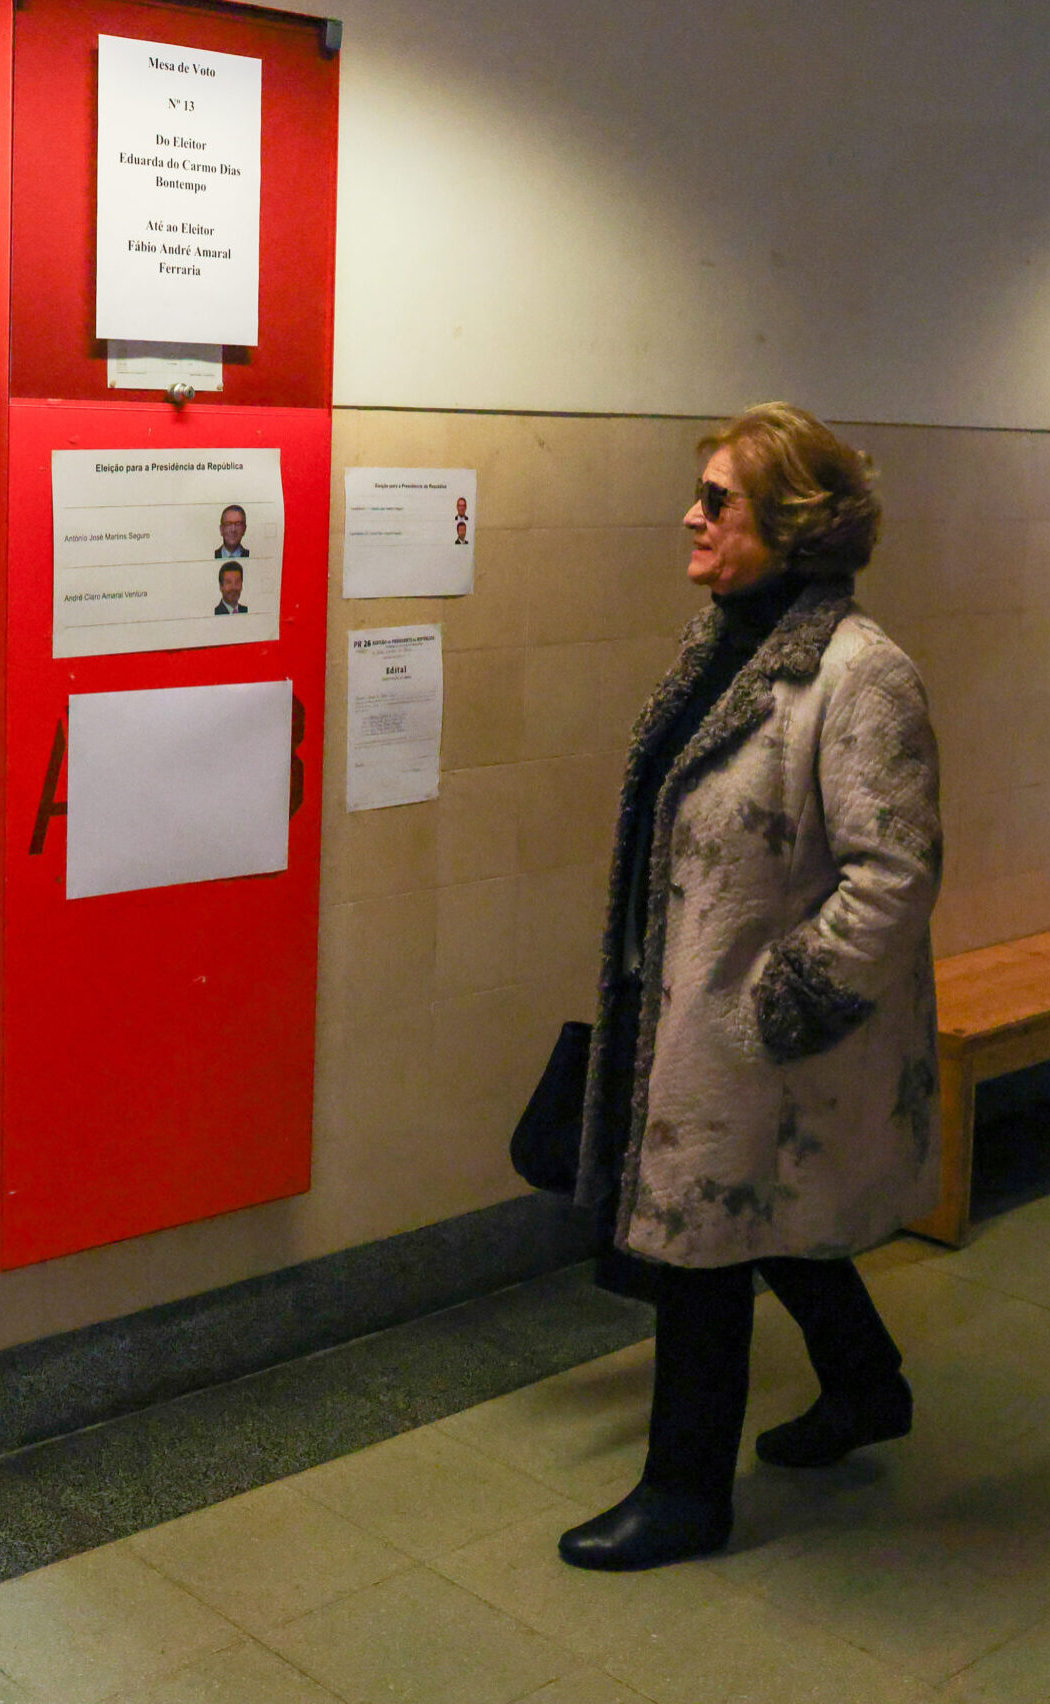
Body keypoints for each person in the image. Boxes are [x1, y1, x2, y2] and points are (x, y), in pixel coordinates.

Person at [559, 403, 941, 1573]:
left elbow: (894, 875)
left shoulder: (861, 674)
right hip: (694, 1007)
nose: (692, 515)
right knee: (767, 1220)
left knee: (704, 1247)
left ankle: (684, 1495)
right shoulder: (727, 639)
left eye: (717, 500)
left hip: (761, 1029)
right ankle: (868, 1386)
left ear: (792, 523)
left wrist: (779, 1003)